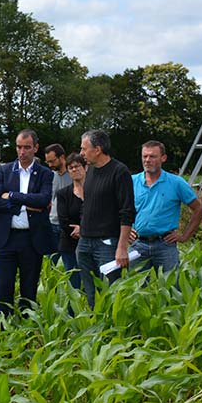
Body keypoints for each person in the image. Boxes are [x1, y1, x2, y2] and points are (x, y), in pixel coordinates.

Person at [0, 130, 55, 315]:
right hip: (6, 238)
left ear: (36, 148)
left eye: (26, 147)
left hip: (31, 239)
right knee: (3, 286)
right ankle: (4, 326)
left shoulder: (45, 174)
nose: (22, 151)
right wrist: (23, 205)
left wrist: (14, 196)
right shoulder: (5, 170)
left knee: (29, 288)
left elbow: (43, 200)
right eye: (18, 147)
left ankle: (27, 326)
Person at [77, 130, 135, 309]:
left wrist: (122, 247)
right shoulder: (91, 171)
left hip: (107, 244)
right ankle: (96, 328)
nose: (81, 153)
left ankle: (112, 331)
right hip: (85, 242)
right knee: (90, 292)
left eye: (84, 149)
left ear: (98, 149)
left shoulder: (120, 172)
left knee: (110, 293)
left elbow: (127, 211)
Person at [129, 140, 202, 273]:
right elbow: (115, 208)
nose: (147, 160)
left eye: (152, 156)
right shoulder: (131, 181)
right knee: (136, 288)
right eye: (144, 156)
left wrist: (184, 236)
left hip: (165, 245)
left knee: (171, 287)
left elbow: (199, 209)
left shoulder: (176, 183)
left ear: (163, 158)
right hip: (137, 244)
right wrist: (124, 229)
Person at [56, 153, 86, 291]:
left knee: (92, 282)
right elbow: (63, 219)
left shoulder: (95, 191)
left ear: (85, 167)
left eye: (77, 166)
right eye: (70, 167)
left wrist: (83, 229)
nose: (74, 170)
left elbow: (100, 215)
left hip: (91, 242)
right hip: (69, 243)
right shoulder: (63, 193)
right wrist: (77, 230)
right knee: (74, 285)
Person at [44, 144, 72, 257]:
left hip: (68, 225)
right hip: (52, 223)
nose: (50, 165)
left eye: (52, 161)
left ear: (62, 157)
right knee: (50, 260)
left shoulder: (74, 174)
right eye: (48, 162)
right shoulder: (51, 176)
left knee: (68, 260)